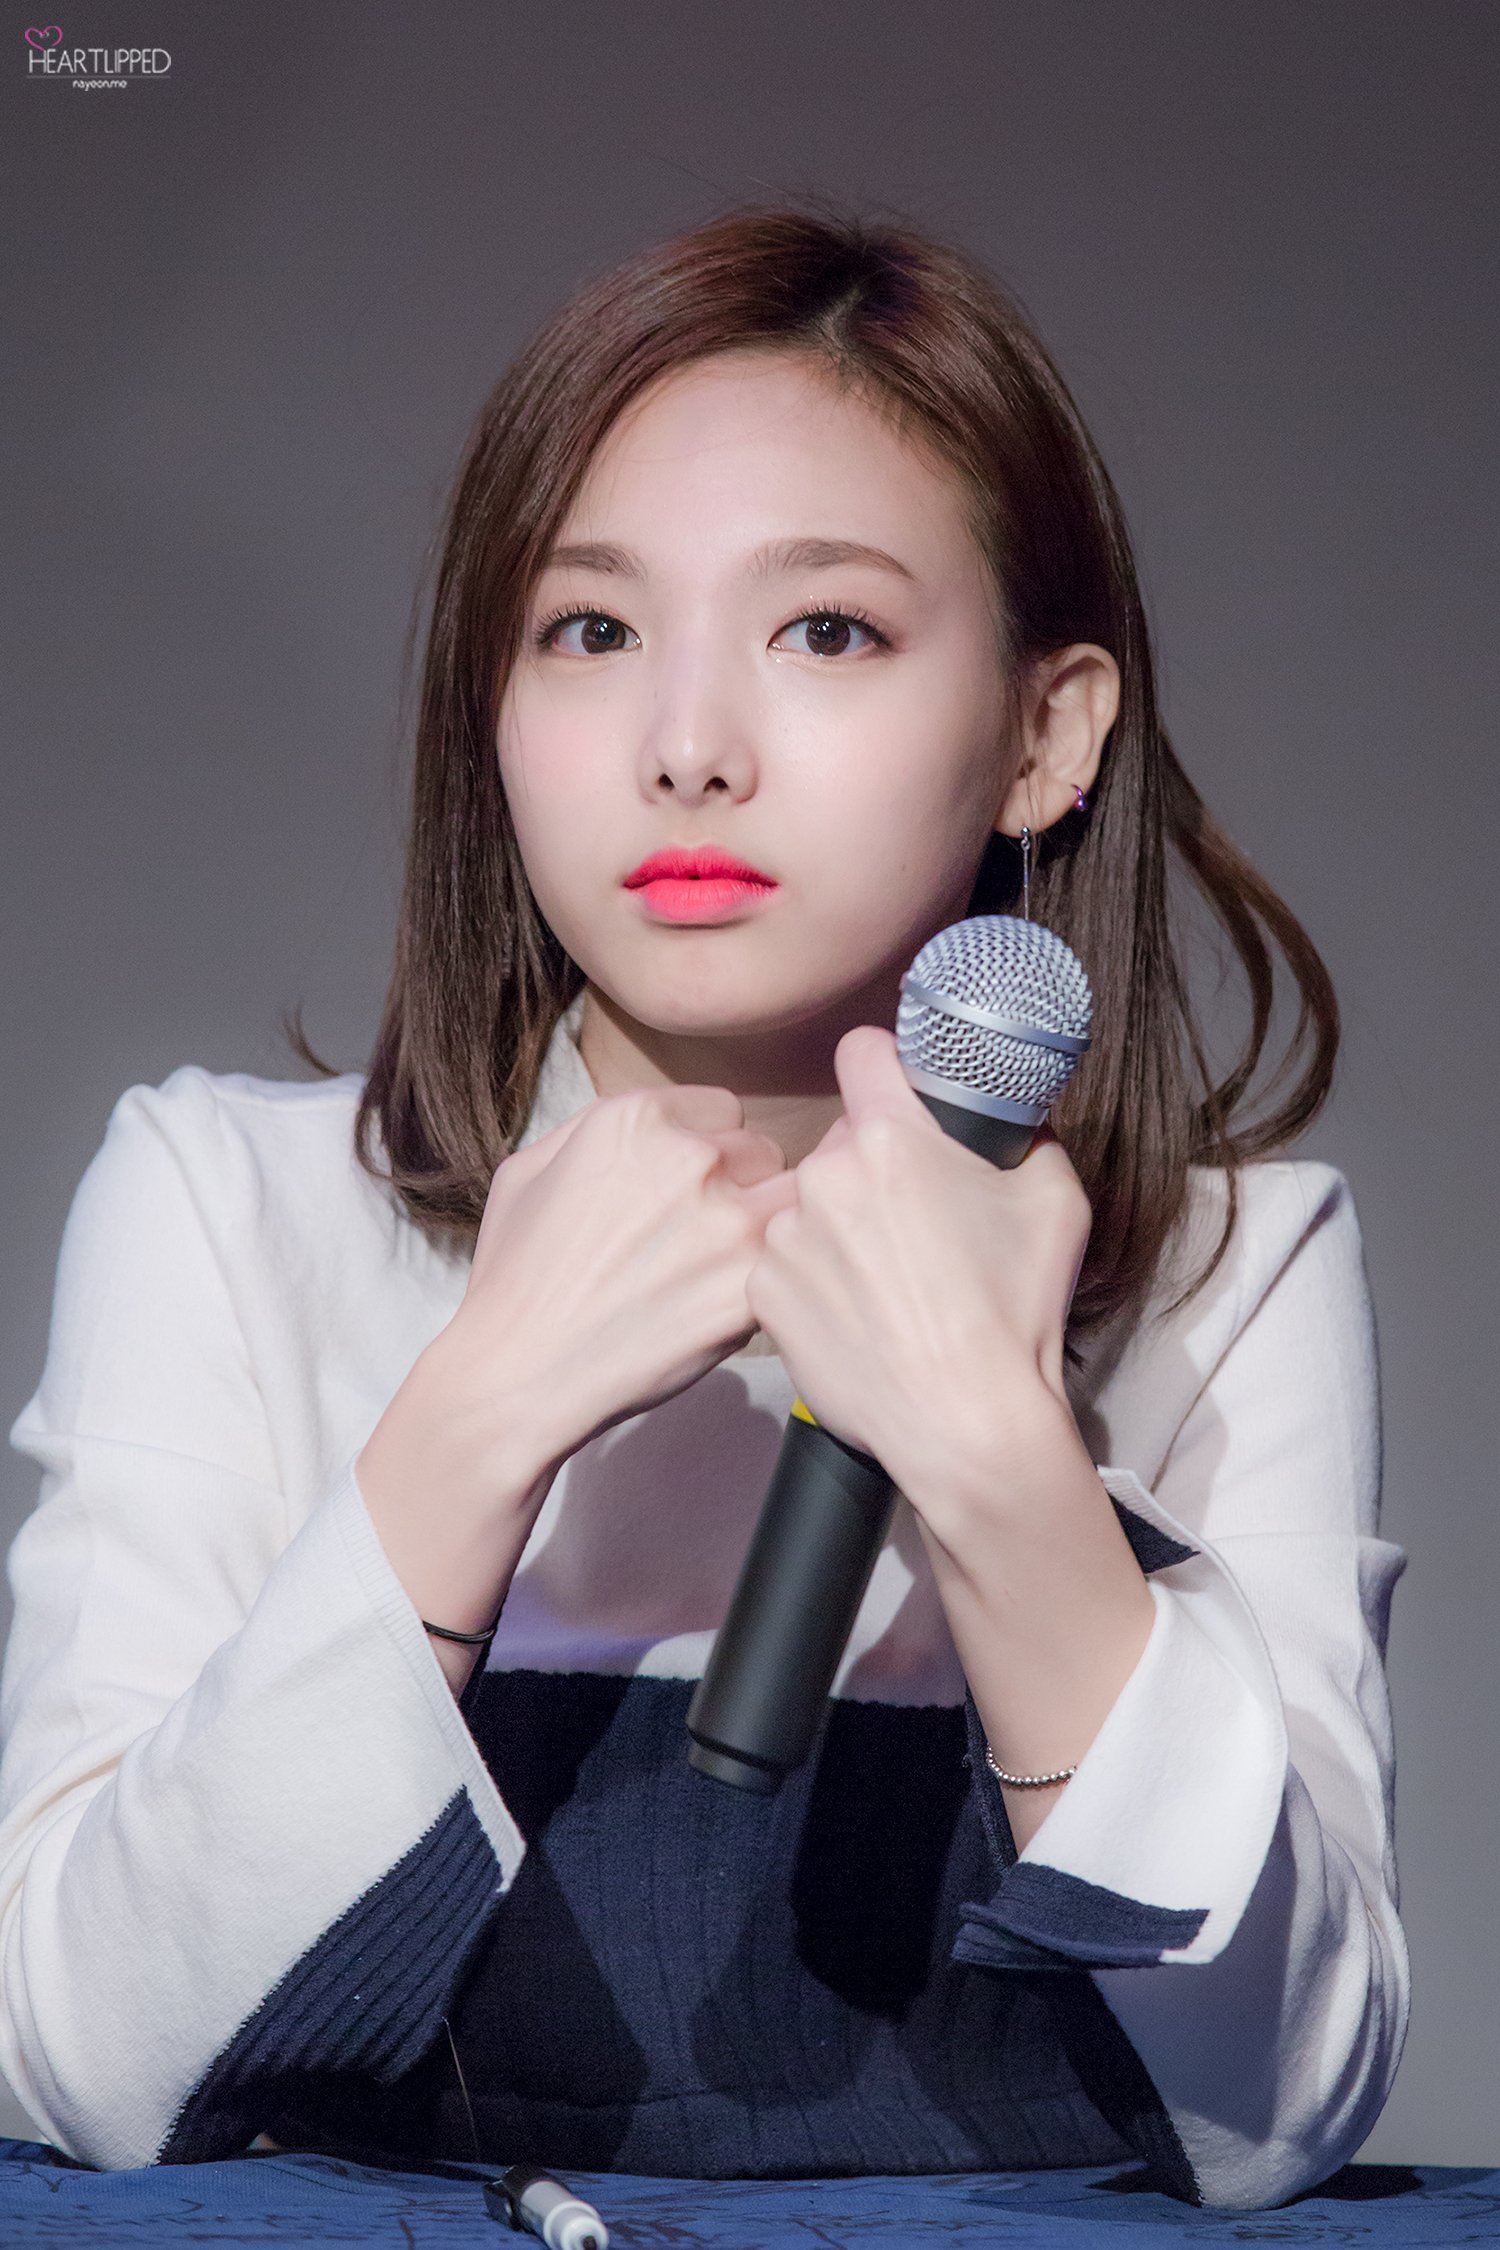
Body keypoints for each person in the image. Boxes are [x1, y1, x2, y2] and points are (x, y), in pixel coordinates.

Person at [0, 208, 1407, 2211]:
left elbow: (1285, 2110)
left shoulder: (1233, 1269)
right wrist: (478, 1414)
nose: (685, 749)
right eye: (591, 632)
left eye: (824, 629)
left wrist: (998, 1457)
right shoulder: (224, 1203)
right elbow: (81, 2060)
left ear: (1046, 733)